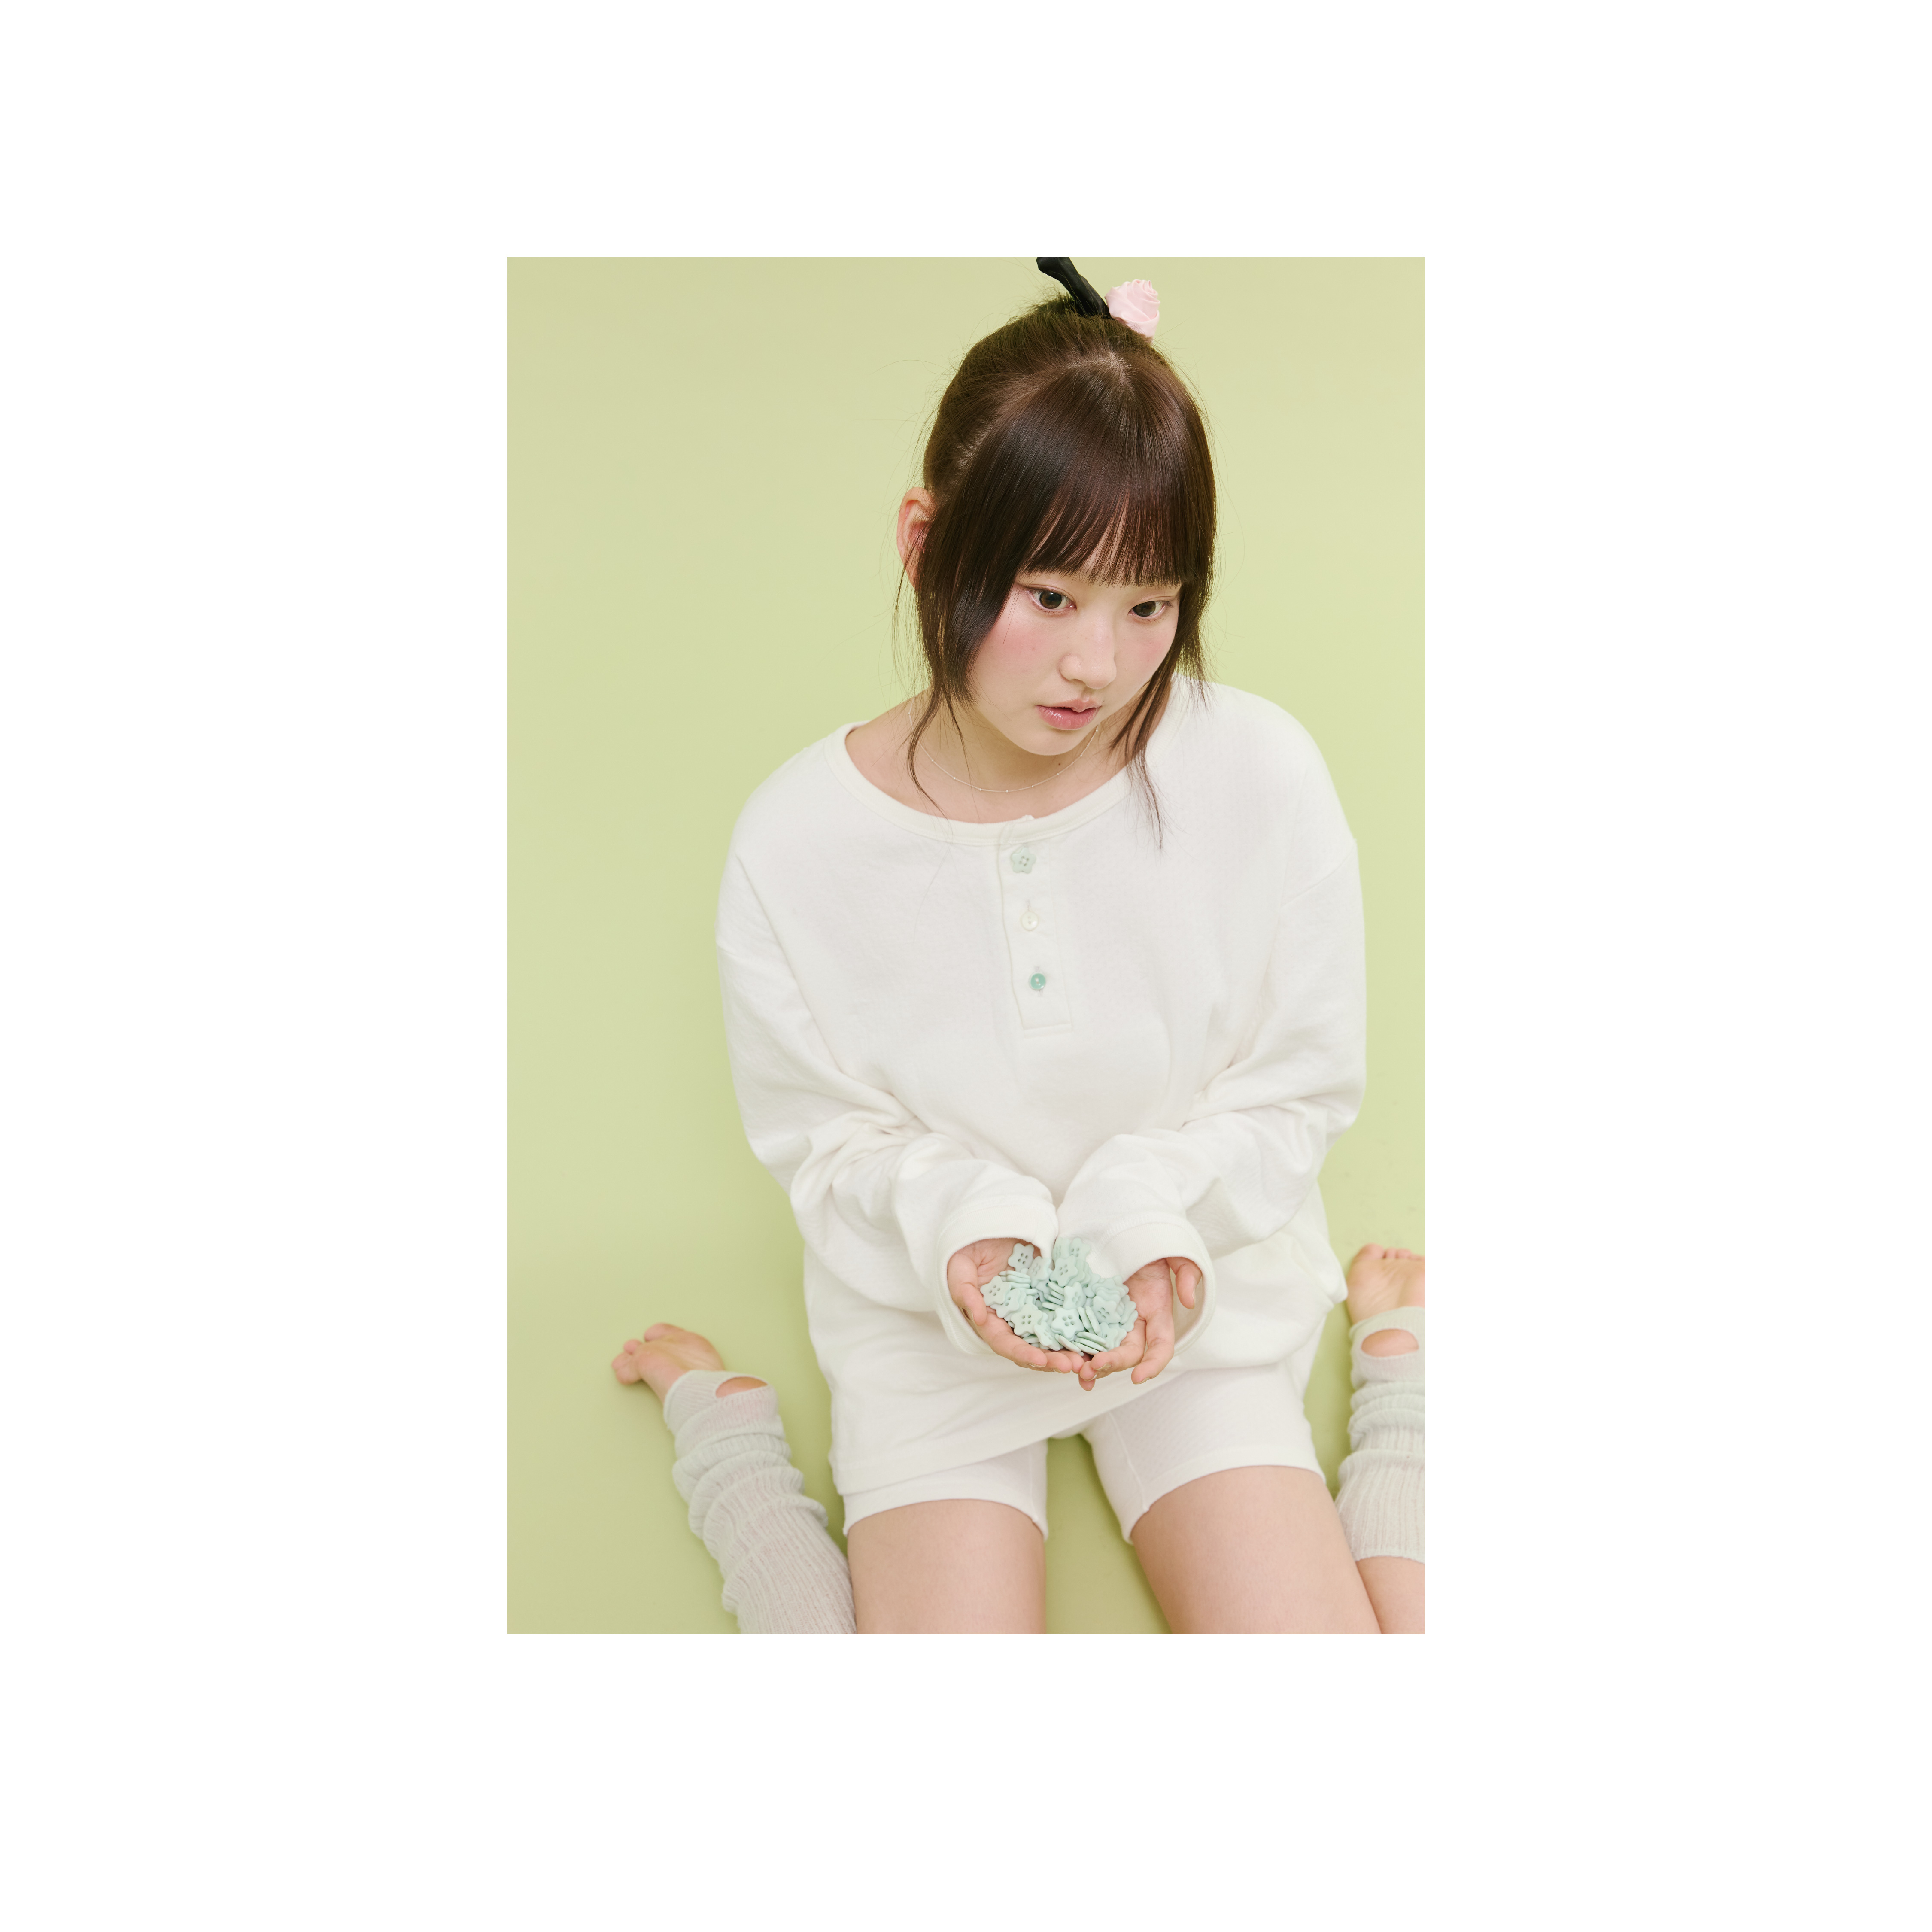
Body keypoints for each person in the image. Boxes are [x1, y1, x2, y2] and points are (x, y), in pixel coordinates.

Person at [617, 258, 1422, 1632]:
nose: (1096, 667)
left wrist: (1150, 1218)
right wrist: (966, 1231)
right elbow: (826, 1141)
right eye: (1047, 595)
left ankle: (1402, 1381)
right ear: (925, 542)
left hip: (1195, 1278)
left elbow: (1296, 1088)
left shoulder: (1260, 775)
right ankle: (731, 1441)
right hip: (925, 1311)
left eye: (1148, 605)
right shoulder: (795, 844)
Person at [614, 1241, 1422, 1634]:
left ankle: (1406, 1379)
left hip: (934, 1293)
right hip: (1180, 1260)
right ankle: (1405, 1384)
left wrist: (734, 1462)